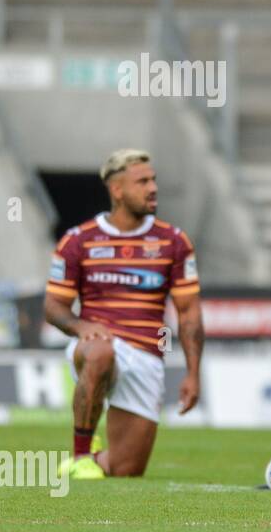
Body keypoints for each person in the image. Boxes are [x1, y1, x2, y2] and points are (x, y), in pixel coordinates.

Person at [46, 149, 203, 478]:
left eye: (153, 180)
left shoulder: (173, 241)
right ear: (116, 190)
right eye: (142, 181)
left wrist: (192, 373)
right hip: (97, 346)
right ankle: (80, 456)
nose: (152, 188)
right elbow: (53, 307)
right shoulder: (79, 240)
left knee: (125, 470)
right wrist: (80, 325)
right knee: (100, 351)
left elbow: (188, 313)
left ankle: (94, 459)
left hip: (146, 355)